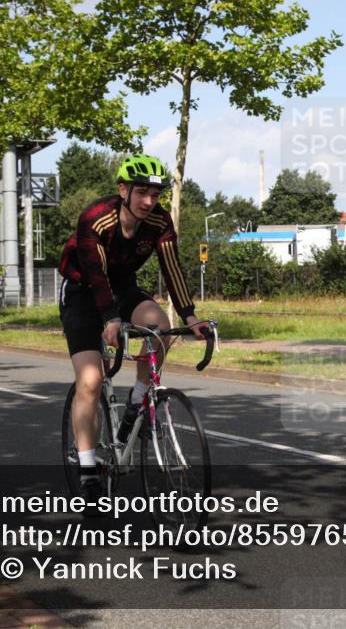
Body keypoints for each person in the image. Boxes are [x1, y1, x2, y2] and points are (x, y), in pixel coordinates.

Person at [58, 154, 205, 507]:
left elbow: (172, 268)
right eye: (142, 192)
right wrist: (109, 319)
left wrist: (190, 316)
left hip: (122, 288)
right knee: (91, 380)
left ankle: (138, 399)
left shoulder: (158, 221)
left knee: (160, 326)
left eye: (155, 194)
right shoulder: (96, 218)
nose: (148, 201)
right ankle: (90, 470)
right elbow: (95, 274)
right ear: (123, 189)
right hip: (82, 291)